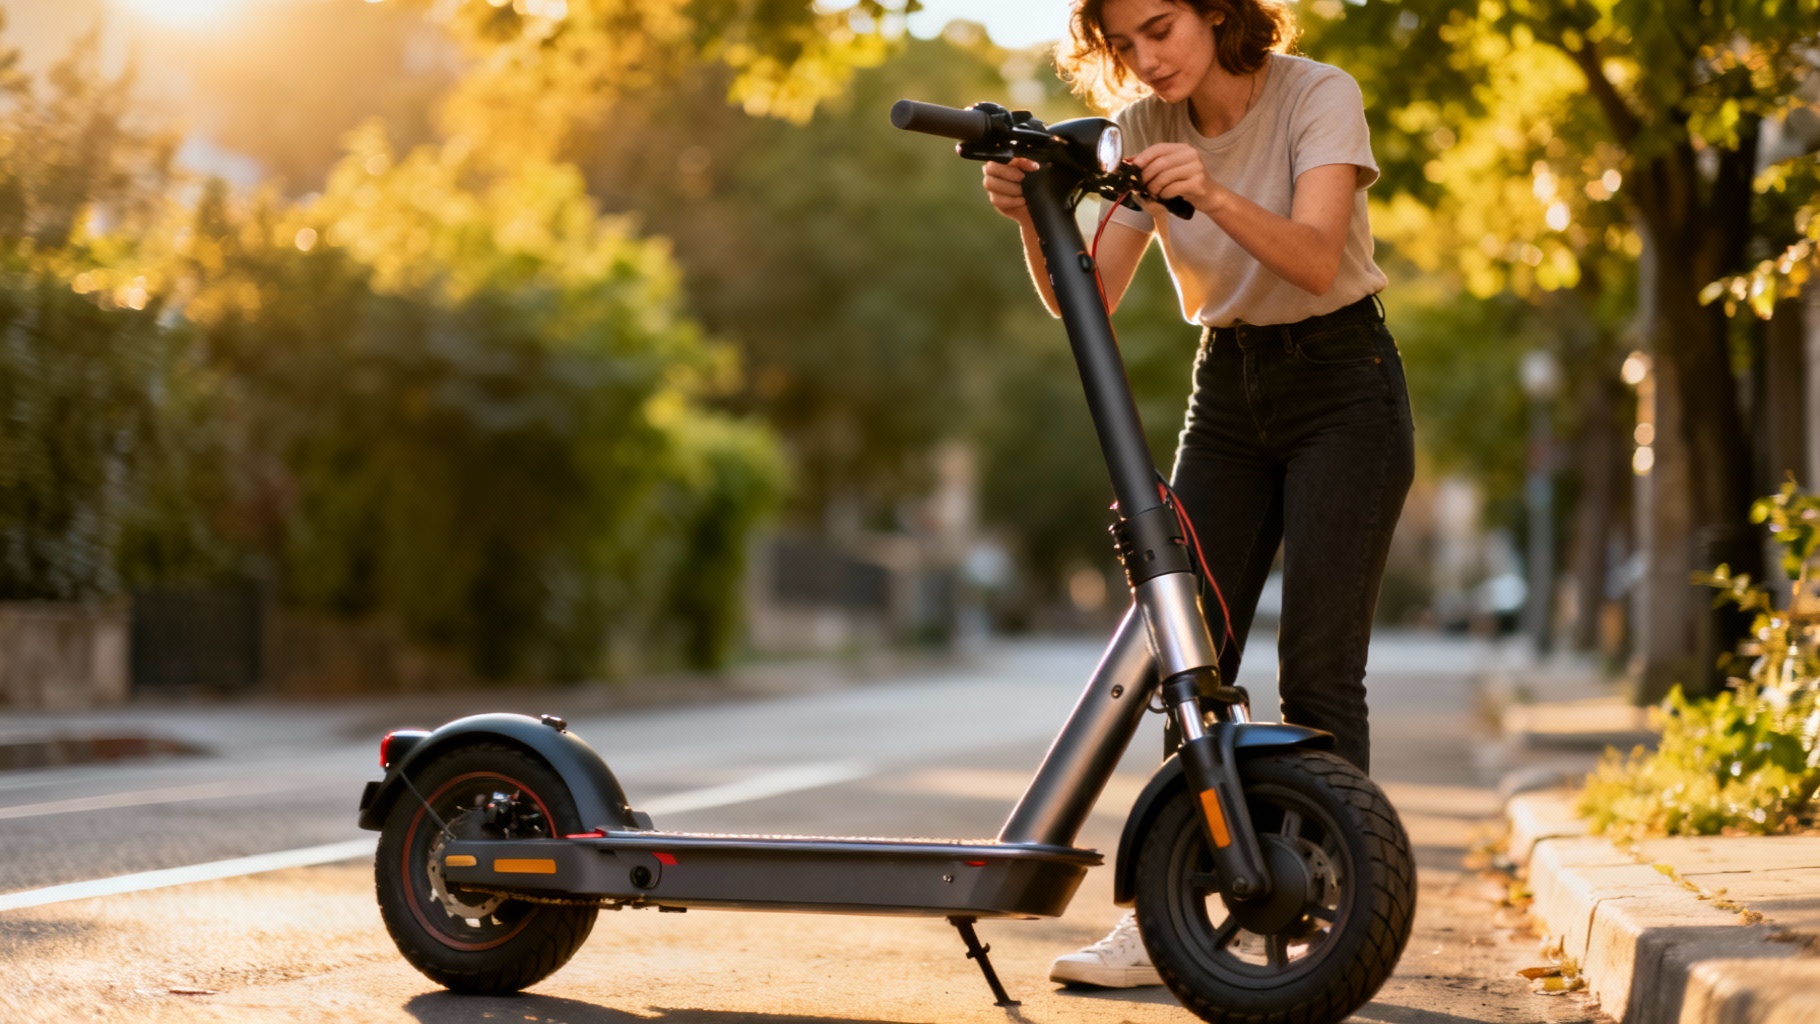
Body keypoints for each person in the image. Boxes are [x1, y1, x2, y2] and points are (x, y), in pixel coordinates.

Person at [979, 0, 1414, 989]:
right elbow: (1087, 297)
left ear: (1217, 11)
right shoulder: (1143, 126)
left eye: (1160, 27)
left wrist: (1210, 193)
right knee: (1184, 656)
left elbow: (1315, 258)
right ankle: (1164, 914)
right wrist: (1033, 217)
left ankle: (1326, 918)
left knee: (1318, 669)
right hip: (1225, 391)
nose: (1145, 58)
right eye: (1123, 43)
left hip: (1343, 386)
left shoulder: (1318, 94)